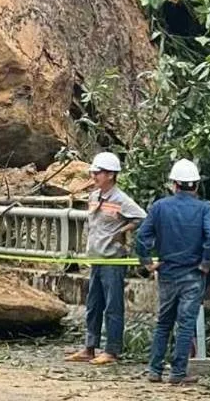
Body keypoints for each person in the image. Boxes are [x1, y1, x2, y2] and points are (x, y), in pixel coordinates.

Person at [137, 159, 210, 385]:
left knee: (164, 322)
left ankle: (154, 371)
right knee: (185, 325)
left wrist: (147, 262)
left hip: (167, 273)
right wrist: (205, 263)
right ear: (196, 186)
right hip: (193, 274)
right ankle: (178, 373)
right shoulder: (205, 208)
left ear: (174, 184)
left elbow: (141, 237)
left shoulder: (160, 207)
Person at [65, 151, 146, 365]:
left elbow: (142, 218)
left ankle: (112, 350)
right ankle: (89, 347)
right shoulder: (94, 197)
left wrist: (123, 231)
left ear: (110, 175)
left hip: (112, 260)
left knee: (113, 306)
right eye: (94, 172)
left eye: (98, 172)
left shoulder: (121, 199)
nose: (94, 176)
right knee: (93, 305)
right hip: (96, 259)